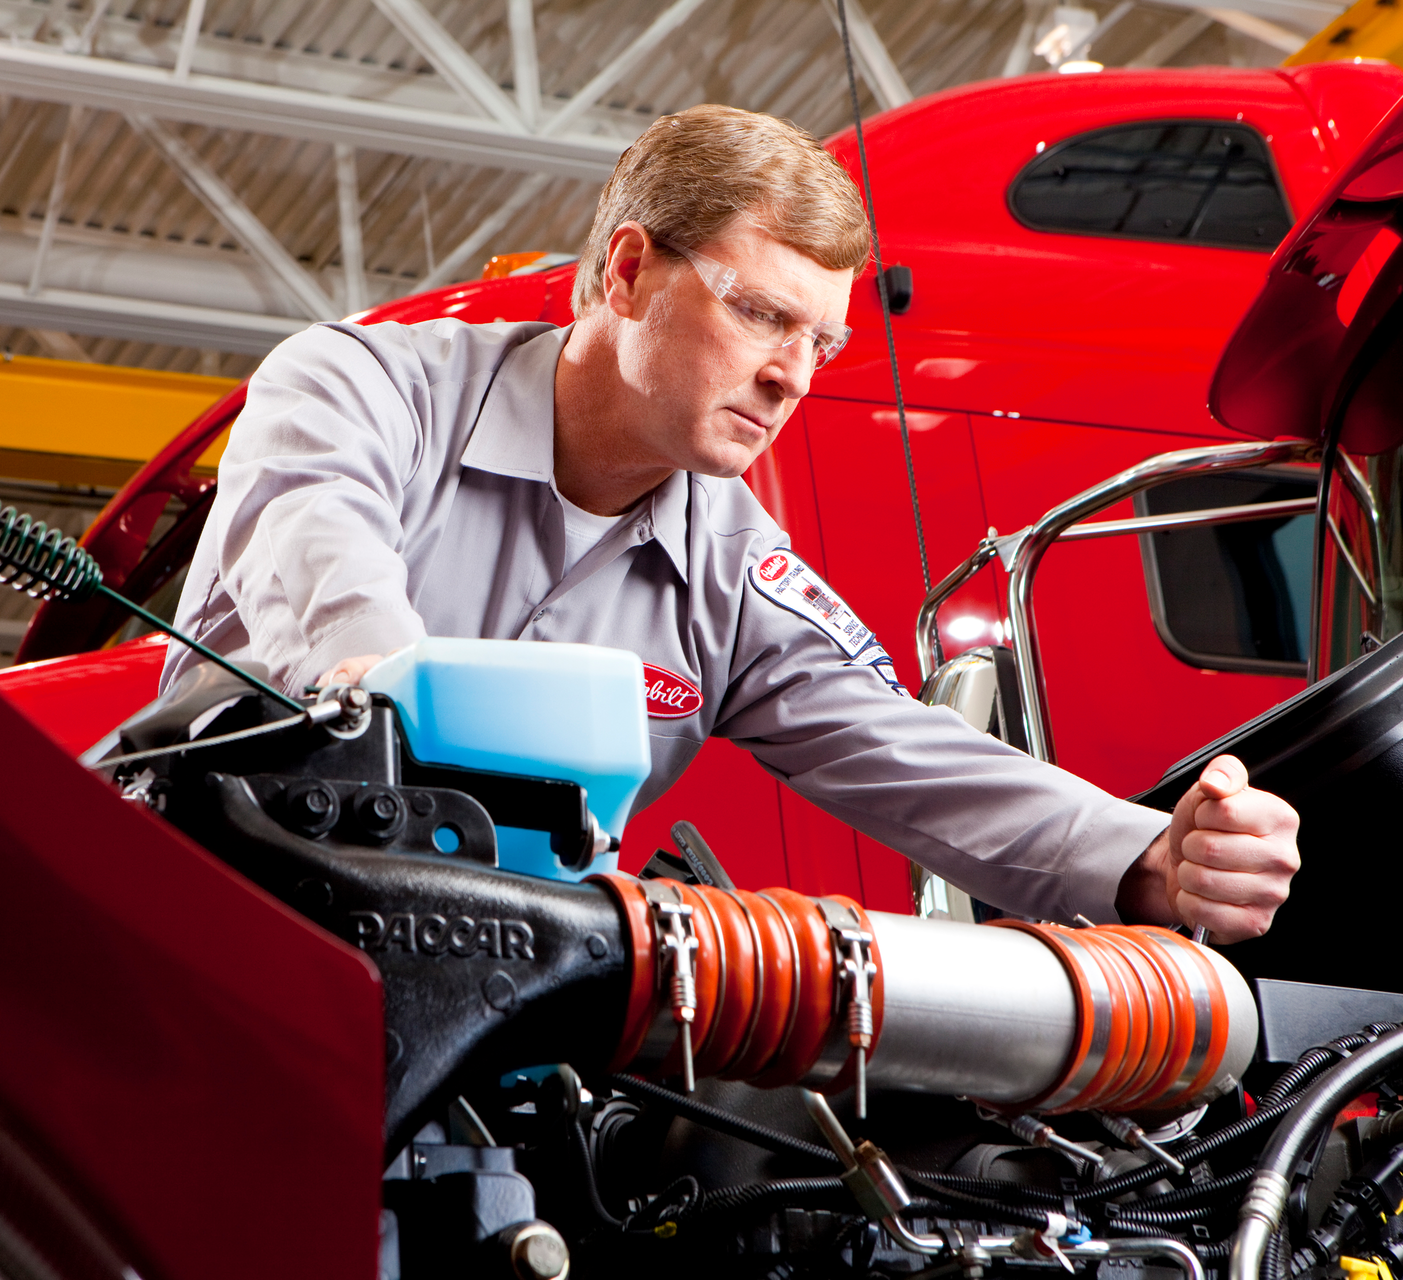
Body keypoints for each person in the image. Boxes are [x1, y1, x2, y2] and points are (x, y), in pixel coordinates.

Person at [162, 104, 1299, 942]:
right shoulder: (358, 388)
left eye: (823, 343)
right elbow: (342, 609)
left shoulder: (731, 566)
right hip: (211, 926)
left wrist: (1151, 854)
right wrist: (390, 683)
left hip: (484, 987)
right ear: (627, 271)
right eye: (761, 313)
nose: (792, 375)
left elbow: (913, 755)